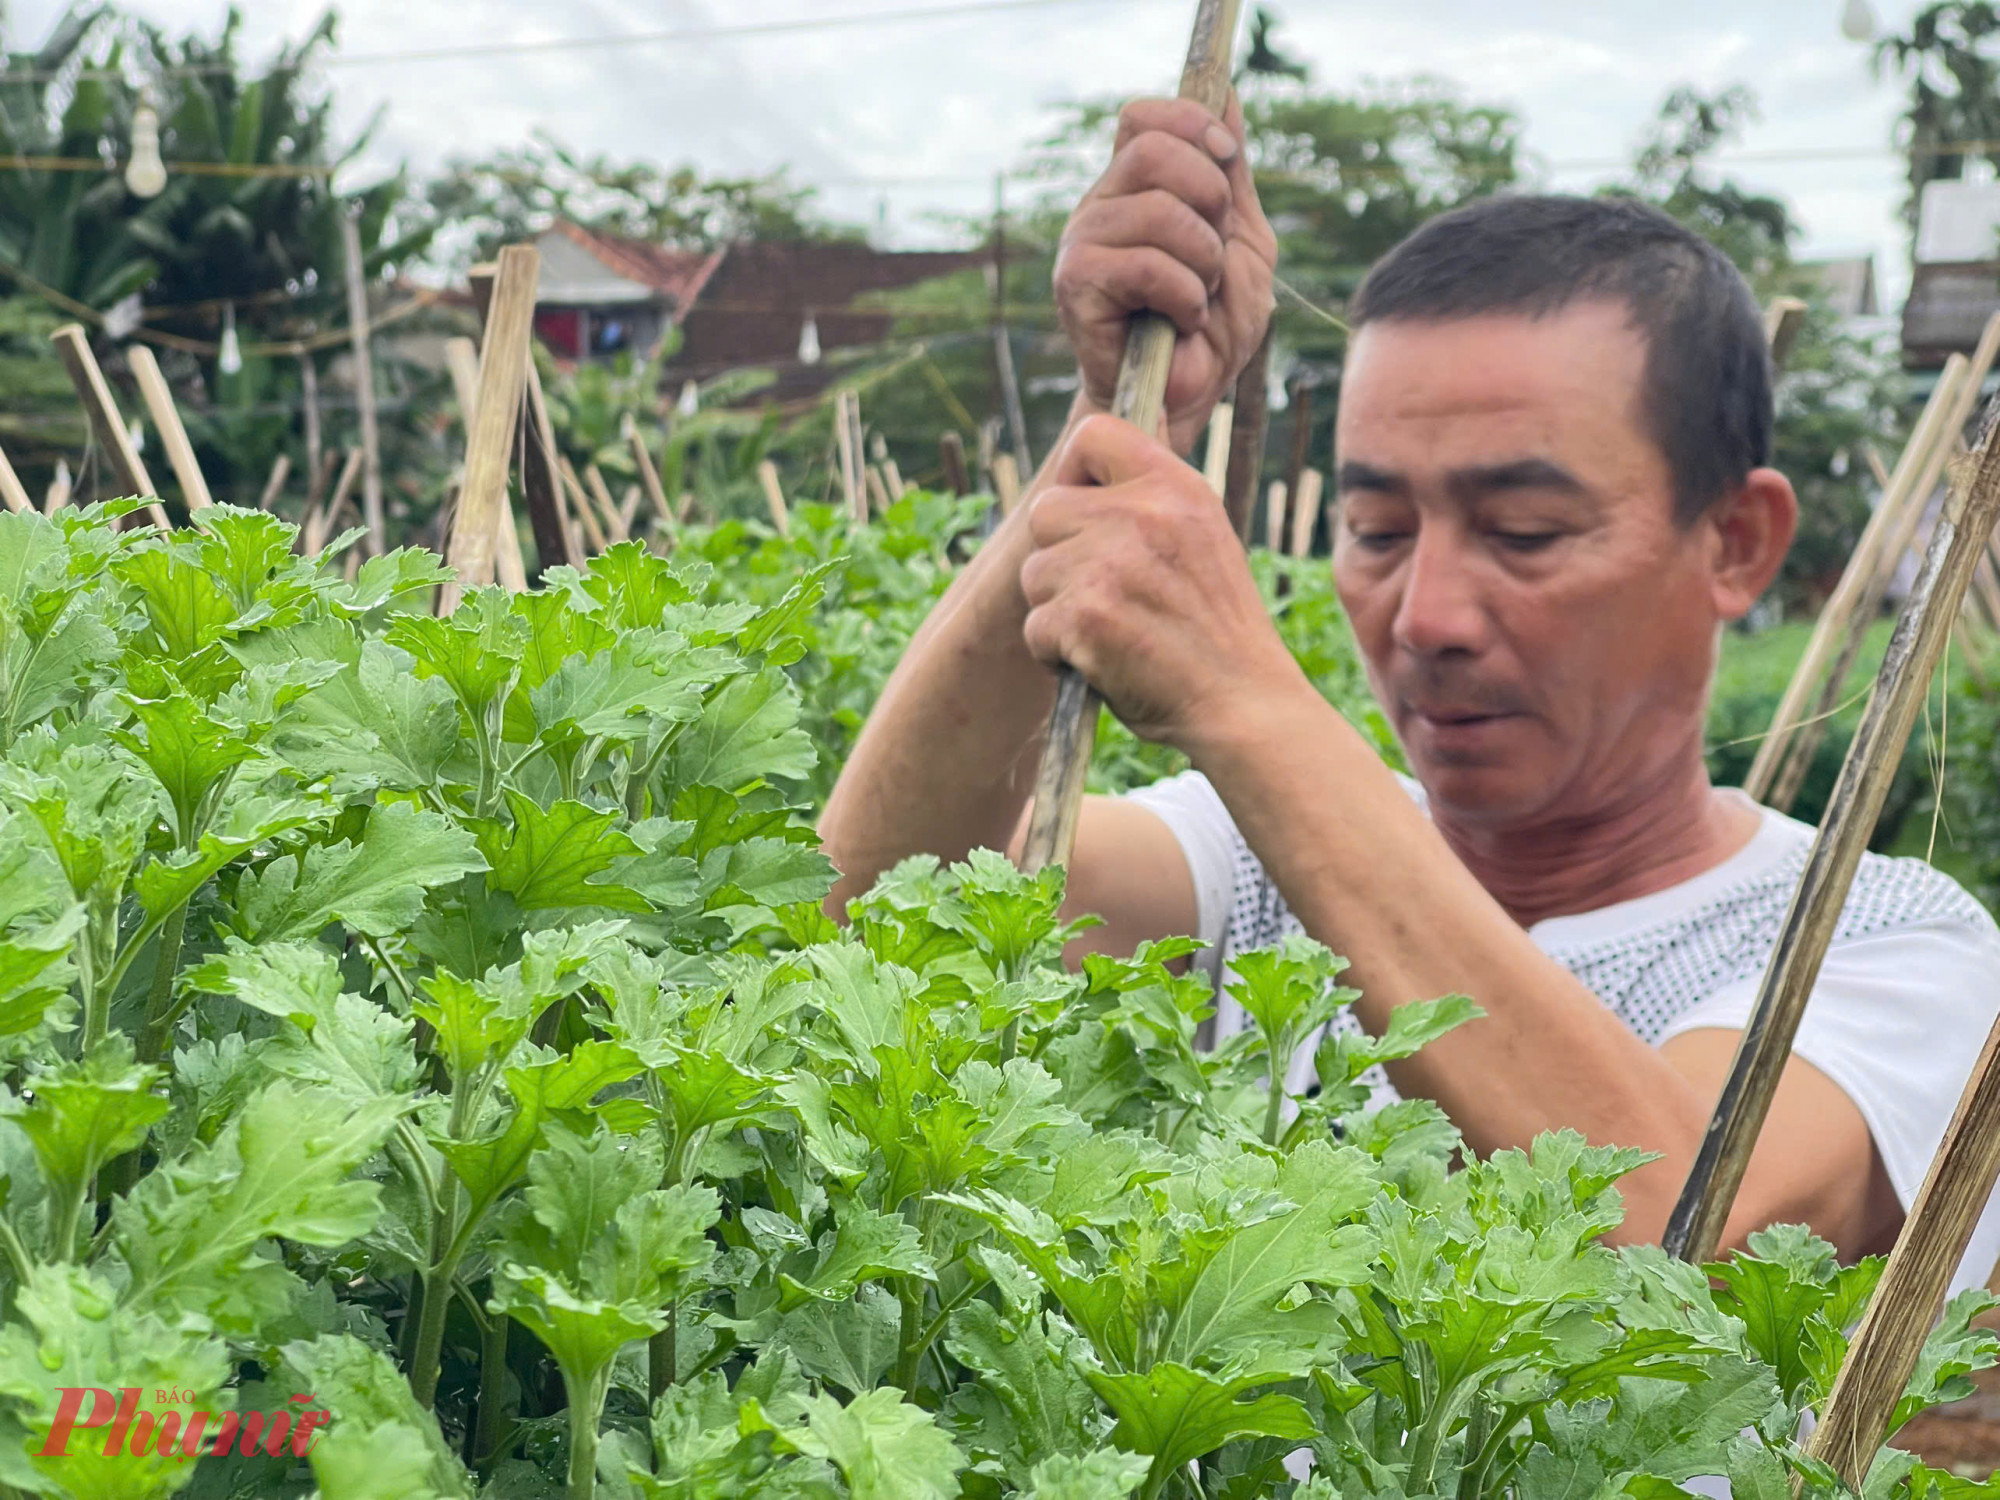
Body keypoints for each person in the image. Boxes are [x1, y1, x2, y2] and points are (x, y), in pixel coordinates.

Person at [818, 94, 2000, 1285]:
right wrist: (1111, 433)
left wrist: (1243, 701)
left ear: (1735, 543)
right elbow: (870, 918)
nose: (1425, 616)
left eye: (1525, 532)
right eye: (1377, 529)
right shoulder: (1242, 871)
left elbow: (1674, 1235)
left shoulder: (1887, 947)